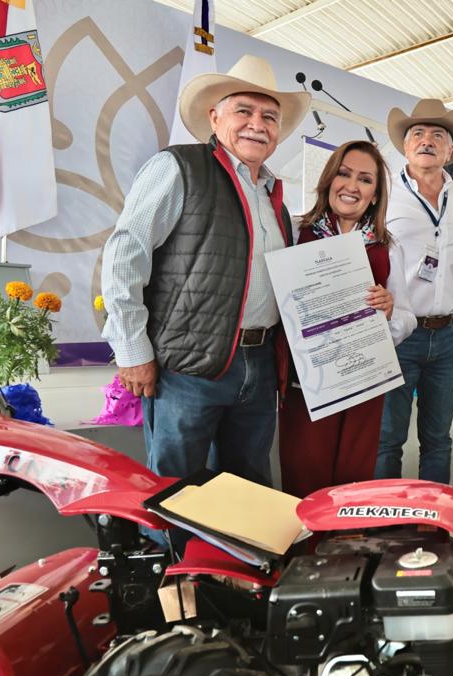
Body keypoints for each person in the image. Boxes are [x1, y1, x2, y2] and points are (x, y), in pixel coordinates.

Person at [101, 55, 309, 489]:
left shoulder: (276, 199)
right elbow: (125, 255)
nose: (257, 124)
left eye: (269, 117)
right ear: (215, 118)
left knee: (247, 489)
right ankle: (173, 540)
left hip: (258, 365)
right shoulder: (178, 167)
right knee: (175, 490)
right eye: (244, 111)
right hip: (186, 370)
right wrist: (132, 351)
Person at [278, 141, 415, 498]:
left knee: (353, 481)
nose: (352, 186)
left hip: (363, 383)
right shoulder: (295, 231)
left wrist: (389, 310)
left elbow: (407, 319)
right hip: (309, 384)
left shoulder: (388, 247)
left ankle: (347, 538)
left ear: (375, 194)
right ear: (329, 180)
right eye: (344, 174)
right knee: (304, 474)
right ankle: (304, 537)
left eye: (365, 180)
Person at [373, 99, 453, 484]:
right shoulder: (382, 192)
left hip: (448, 336)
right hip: (398, 335)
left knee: (438, 440)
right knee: (387, 441)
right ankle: (384, 518)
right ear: (405, 146)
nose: (426, 141)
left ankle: (431, 516)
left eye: (437, 135)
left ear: (450, 151)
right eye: (417, 133)